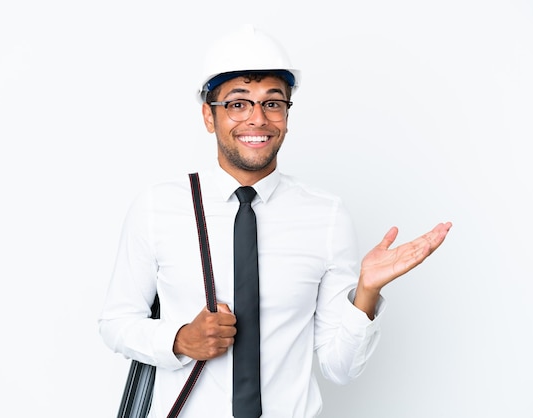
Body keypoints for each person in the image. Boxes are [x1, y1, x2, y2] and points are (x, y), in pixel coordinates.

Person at [99, 24, 452, 418]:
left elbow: (340, 368)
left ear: (286, 114)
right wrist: (180, 340)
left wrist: (365, 293)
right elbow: (116, 322)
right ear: (208, 116)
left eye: (272, 103)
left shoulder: (327, 216)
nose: (257, 119)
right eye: (237, 103)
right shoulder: (157, 207)